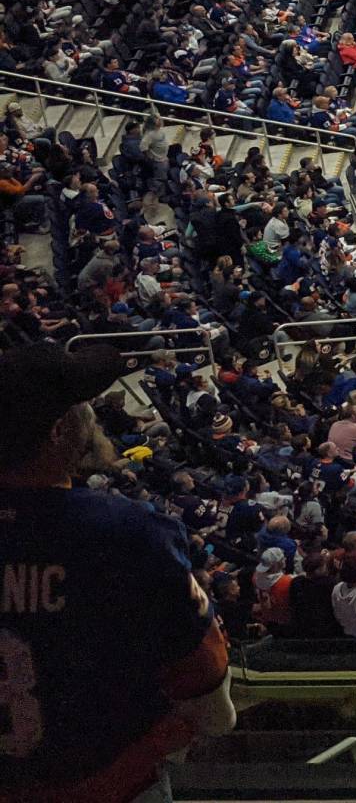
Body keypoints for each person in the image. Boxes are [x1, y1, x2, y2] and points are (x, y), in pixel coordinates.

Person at [0, 344, 237, 803]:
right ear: (57, 431)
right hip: (112, 786)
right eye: (80, 404)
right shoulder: (127, 533)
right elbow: (210, 698)